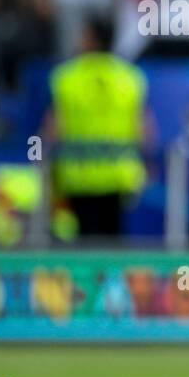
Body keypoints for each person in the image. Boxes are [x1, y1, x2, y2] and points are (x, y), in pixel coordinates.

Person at [46, 19, 150, 238]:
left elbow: (53, 129)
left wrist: (41, 160)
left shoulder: (67, 76)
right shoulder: (130, 77)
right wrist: (147, 165)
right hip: (120, 175)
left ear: (92, 39)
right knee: (114, 241)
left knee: (84, 244)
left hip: (78, 175)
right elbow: (145, 128)